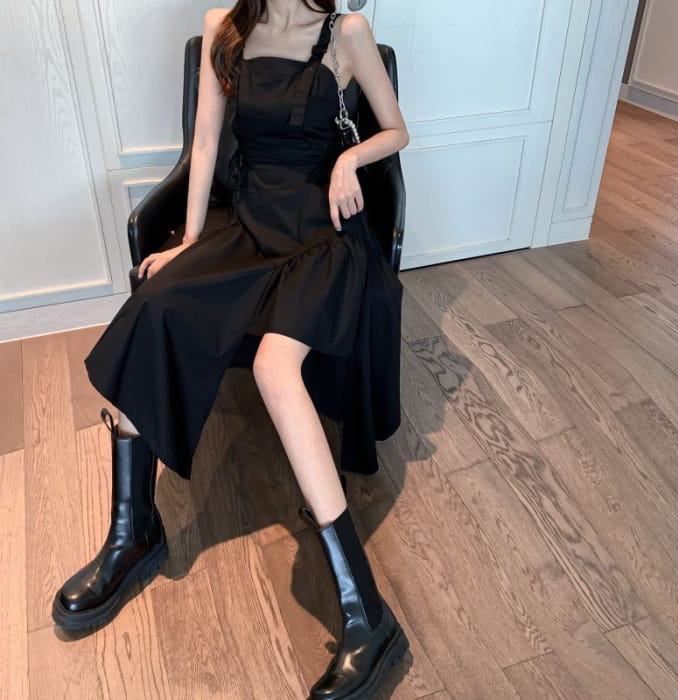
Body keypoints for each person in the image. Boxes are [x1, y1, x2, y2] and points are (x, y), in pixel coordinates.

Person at [52, 1, 410, 697]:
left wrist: (350, 158)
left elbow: (397, 130)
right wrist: (188, 245)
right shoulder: (226, 25)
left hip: (322, 236)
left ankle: (370, 617)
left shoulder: (347, 32)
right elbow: (207, 145)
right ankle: (133, 532)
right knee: (154, 308)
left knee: (276, 367)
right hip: (249, 225)